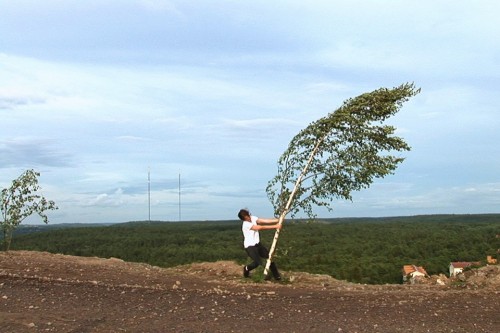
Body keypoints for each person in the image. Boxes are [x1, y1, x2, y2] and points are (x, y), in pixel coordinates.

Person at [237, 208, 282, 280]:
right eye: (245, 218)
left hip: (258, 244)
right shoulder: (246, 224)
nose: (248, 218)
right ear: (243, 219)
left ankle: (277, 276)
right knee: (257, 262)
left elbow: (264, 221)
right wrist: (275, 226)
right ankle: (246, 268)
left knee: (270, 258)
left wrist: (278, 220)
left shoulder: (253, 218)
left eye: (247, 216)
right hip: (250, 246)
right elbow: (260, 227)